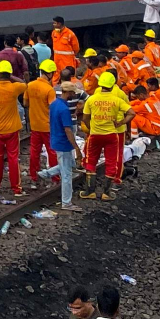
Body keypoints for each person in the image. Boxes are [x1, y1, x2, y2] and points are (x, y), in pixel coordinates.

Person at [84, 71, 131, 201]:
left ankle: (90, 191)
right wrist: (121, 123)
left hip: (95, 134)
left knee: (91, 160)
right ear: (113, 84)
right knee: (111, 162)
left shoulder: (92, 98)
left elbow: (85, 117)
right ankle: (106, 193)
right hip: (111, 135)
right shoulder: (117, 98)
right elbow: (131, 113)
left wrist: (90, 127)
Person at [0, 61, 27, 195]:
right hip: (12, 129)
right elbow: (25, 84)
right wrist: (12, 76)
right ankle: (16, 189)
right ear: (9, 74)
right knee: (13, 158)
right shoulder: (14, 88)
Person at [48, 74, 81, 209]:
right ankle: (66, 202)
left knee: (68, 164)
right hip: (63, 143)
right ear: (68, 92)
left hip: (56, 139)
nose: (75, 95)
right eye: (73, 93)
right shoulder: (64, 110)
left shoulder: (54, 104)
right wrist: (77, 148)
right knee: (67, 174)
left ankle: (46, 174)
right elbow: (68, 130)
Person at [26, 60, 57, 177]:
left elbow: (25, 102)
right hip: (47, 126)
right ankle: (55, 177)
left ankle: (34, 176)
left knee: (34, 152)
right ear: (50, 74)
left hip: (35, 125)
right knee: (52, 152)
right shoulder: (49, 90)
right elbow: (53, 109)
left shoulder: (30, 85)